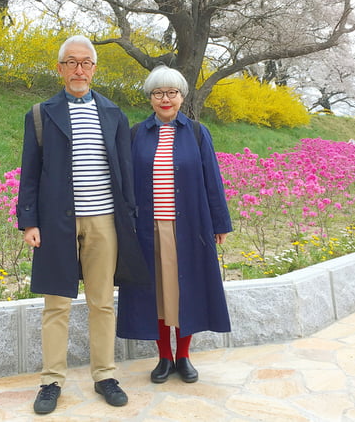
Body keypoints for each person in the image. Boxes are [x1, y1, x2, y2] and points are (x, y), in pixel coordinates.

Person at [17, 35, 148, 414]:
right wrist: (29, 221)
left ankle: (104, 375)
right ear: (59, 68)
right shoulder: (41, 114)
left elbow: (123, 172)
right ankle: (51, 380)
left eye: (85, 62)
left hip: (104, 220)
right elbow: (30, 172)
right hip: (57, 222)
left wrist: (128, 219)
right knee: (56, 303)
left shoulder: (113, 114)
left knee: (102, 303)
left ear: (94, 69)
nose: (79, 69)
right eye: (71, 62)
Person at [117, 65, 232, 384]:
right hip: (148, 230)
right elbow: (125, 183)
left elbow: (213, 179)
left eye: (171, 92)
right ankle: (163, 358)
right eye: (158, 93)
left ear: (182, 97)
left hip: (189, 227)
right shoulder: (136, 134)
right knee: (156, 293)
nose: (165, 99)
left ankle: (183, 356)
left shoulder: (197, 132)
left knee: (184, 291)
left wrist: (219, 222)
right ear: (150, 98)